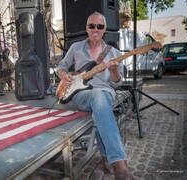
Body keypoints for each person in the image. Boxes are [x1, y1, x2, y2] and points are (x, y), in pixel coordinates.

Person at [57, 12, 133, 179]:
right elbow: (61, 67)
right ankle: (117, 162)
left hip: (105, 92)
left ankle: (112, 161)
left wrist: (113, 70)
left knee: (100, 98)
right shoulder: (75, 48)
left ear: (104, 29)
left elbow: (116, 82)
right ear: (86, 28)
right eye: (92, 26)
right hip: (80, 94)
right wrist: (65, 76)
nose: (95, 29)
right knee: (99, 102)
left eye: (99, 26)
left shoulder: (113, 52)